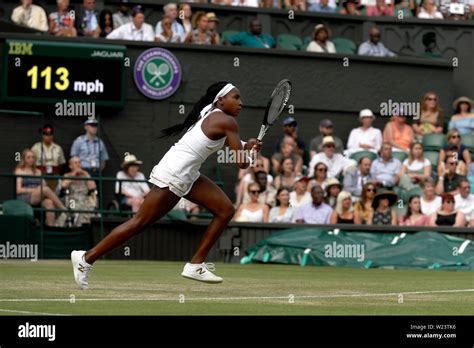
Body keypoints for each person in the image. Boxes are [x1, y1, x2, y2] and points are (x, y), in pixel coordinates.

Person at [72, 81, 263, 288]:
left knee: (225, 210)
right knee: (139, 222)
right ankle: (86, 258)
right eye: (236, 97)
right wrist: (251, 155)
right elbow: (242, 162)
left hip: (187, 173)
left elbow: (225, 141)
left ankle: (195, 265)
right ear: (221, 100)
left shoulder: (211, 114)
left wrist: (247, 145)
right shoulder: (227, 121)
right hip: (175, 173)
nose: (240, 103)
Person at [15, 149, 67, 226]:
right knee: (44, 189)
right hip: (25, 196)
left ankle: (51, 228)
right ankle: (63, 209)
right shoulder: (19, 171)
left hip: (39, 195)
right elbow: (18, 190)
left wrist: (40, 190)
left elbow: (44, 185)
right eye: (28, 157)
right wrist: (35, 190)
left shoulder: (38, 171)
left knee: (49, 202)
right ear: (24, 159)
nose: (31, 159)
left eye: (33, 157)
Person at [58, 156, 96, 227]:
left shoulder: (85, 174)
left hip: (85, 199)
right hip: (72, 200)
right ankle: (77, 226)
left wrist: (86, 175)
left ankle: (87, 227)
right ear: (70, 166)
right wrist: (73, 175)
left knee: (90, 208)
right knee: (75, 208)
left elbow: (92, 187)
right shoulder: (67, 175)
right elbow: (63, 185)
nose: (78, 164)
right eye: (75, 163)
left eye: (79, 162)